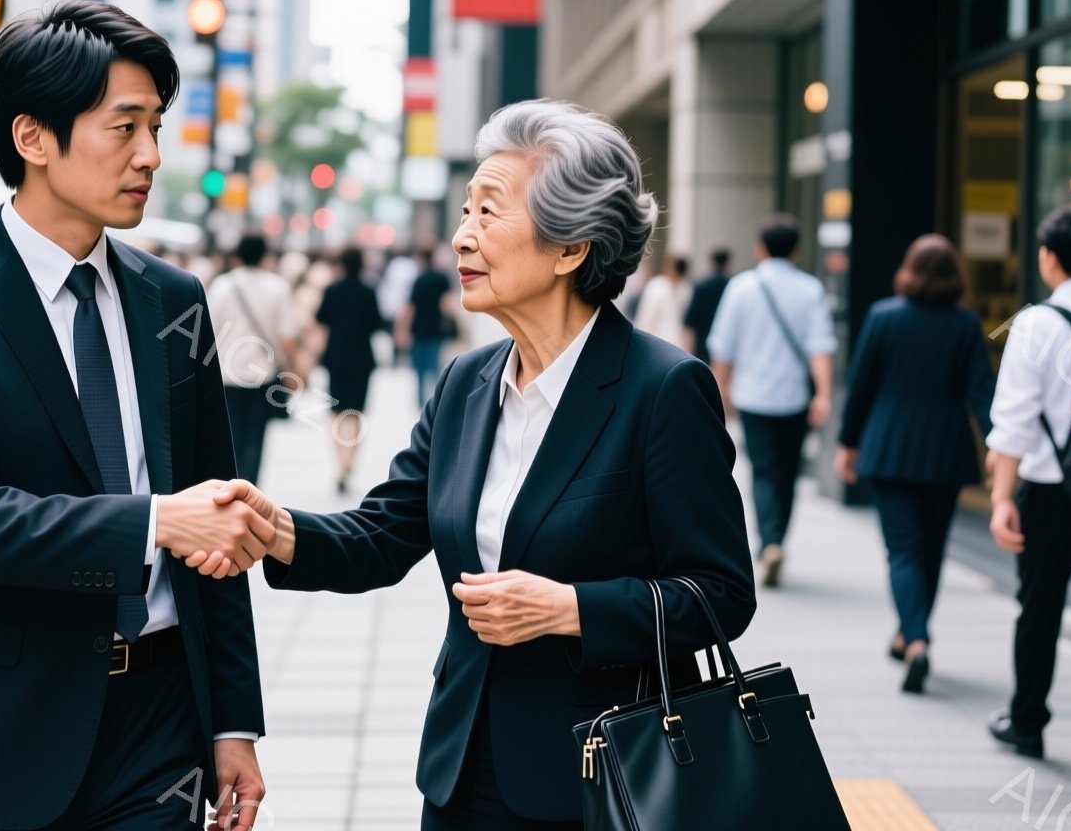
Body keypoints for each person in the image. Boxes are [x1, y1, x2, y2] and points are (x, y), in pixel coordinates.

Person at [200, 100, 755, 829]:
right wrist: (277, 530)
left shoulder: (663, 389)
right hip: (462, 768)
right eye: (466, 209)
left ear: (571, 248)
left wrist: (569, 609)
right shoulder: (467, 381)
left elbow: (720, 593)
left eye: (489, 213)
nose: (462, 234)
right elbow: (384, 535)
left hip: (605, 774)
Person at [0, 0, 270, 831]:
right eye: (123, 128)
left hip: (161, 718)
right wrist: (157, 522)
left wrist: (232, 720)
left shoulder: (173, 300)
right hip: (1, 722)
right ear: (32, 138)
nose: (150, 156)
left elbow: (217, 521)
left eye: (156, 126)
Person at [985, 206, 1071, 774]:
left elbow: (1013, 420)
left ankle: (1028, 721)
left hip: (1050, 490)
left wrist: (1000, 500)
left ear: (1049, 257)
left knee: (1038, 609)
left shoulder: (1037, 323)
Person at [834, 234, 993, 694]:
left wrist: (847, 443)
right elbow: (981, 392)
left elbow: (861, 385)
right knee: (931, 551)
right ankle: (912, 632)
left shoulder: (884, 316)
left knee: (902, 551)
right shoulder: (965, 324)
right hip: (946, 452)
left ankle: (915, 638)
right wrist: (1000, 445)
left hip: (890, 447)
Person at [708, 215, 837, 587]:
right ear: (796, 249)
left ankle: (769, 541)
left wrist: (722, 390)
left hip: (753, 396)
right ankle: (777, 538)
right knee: (789, 472)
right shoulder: (810, 289)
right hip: (795, 397)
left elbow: (723, 347)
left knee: (763, 470)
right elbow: (820, 347)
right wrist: (824, 393)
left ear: (760, 248)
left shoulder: (741, 288)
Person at [207, 233, 300, 483]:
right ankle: (250, 488)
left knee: (230, 436)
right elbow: (287, 336)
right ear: (264, 256)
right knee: (256, 437)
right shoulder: (277, 287)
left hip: (226, 374)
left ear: (237, 255)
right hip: (263, 375)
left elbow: (207, 332)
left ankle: (230, 485)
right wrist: (295, 368)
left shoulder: (221, 286)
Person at [317, 246, 386, 494]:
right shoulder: (369, 292)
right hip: (362, 360)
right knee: (356, 413)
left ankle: (339, 464)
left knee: (336, 413)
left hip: (336, 358)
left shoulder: (332, 290)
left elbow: (321, 320)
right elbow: (377, 323)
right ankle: (349, 464)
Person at [396, 246, 455, 409]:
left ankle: (421, 404)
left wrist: (403, 329)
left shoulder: (419, 279)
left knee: (419, 369)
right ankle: (439, 400)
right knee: (436, 364)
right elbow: (447, 304)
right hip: (436, 327)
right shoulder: (442, 278)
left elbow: (411, 307)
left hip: (419, 328)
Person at [683, 246, 732, 364]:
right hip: (726, 347)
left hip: (702, 344)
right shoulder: (732, 286)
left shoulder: (700, 286)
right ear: (728, 262)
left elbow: (690, 321)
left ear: (712, 261)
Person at [632, 253, 691, 348]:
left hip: (666, 344)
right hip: (662, 343)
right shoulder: (685, 289)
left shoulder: (658, 287)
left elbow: (645, 318)